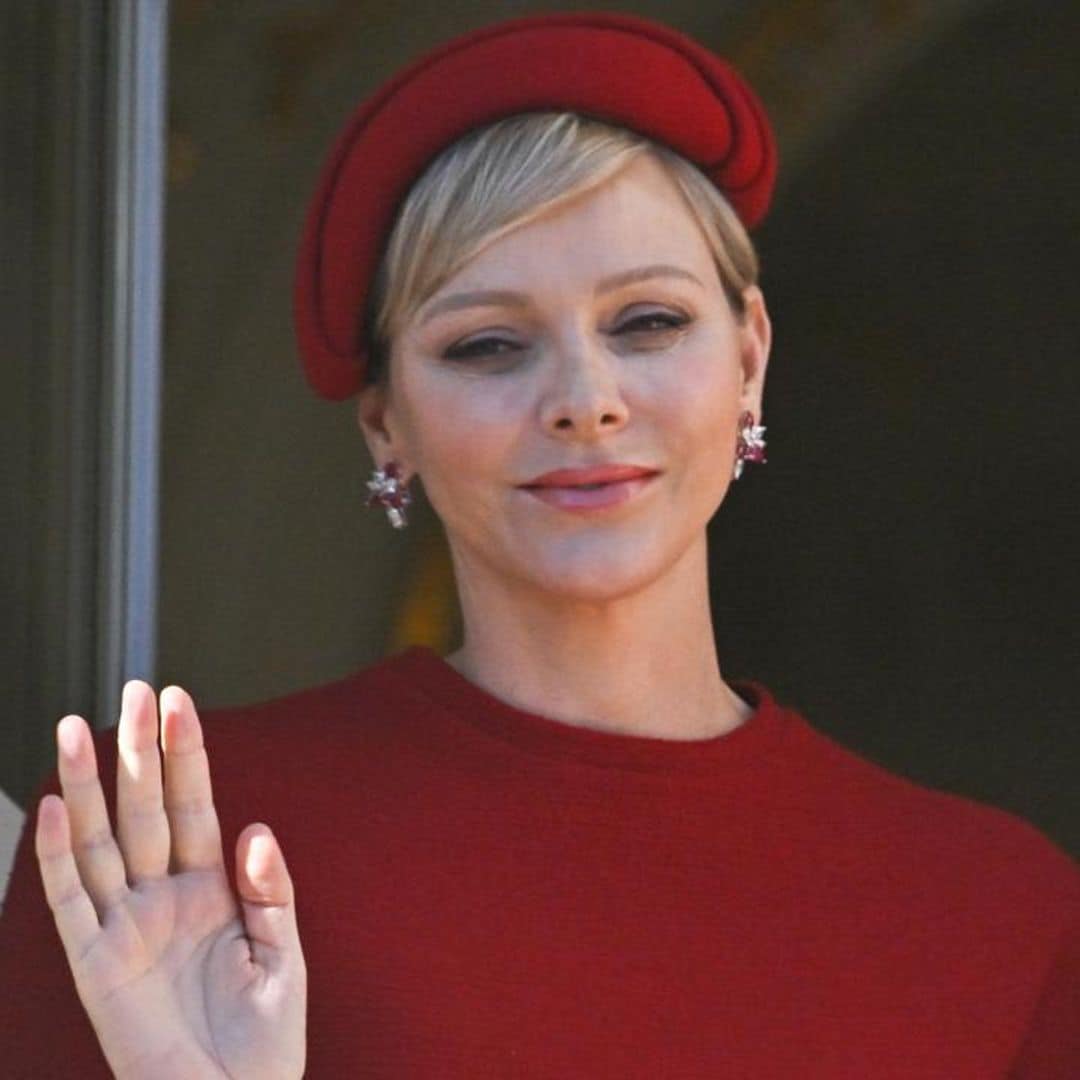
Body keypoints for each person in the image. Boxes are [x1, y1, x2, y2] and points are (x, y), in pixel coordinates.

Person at [1, 11, 1077, 1078]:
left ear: (748, 358)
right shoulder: (162, 851)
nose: (585, 401)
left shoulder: (994, 915)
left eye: (647, 322)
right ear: (386, 421)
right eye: (489, 345)